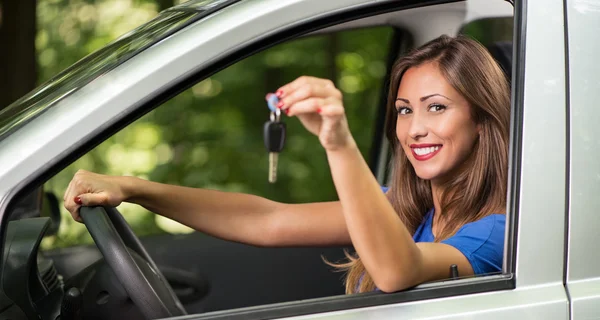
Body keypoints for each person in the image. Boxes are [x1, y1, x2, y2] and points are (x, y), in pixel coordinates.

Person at [64, 34, 510, 294]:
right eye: (404, 110)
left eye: (436, 108)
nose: (414, 130)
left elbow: (398, 270)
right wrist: (135, 188)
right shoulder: (408, 210)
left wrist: (337, 143)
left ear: (480, 120)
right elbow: (269, 221)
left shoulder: (497, 231)